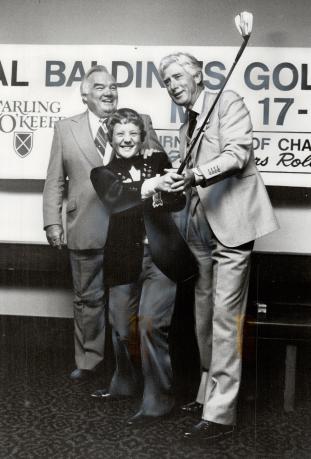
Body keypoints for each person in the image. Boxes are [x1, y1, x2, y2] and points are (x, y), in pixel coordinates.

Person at [158, 52, 279, 440]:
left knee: (225, 318)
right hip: (199, 228)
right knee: (204, 316)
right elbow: (191, 177)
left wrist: (194, 174)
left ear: (198, 75)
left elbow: (237, 154)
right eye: (166, 81)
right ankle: (206, 395)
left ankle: (221, 415)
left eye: (177, 76)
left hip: (232, 225)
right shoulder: (186, 123)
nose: (173, 85)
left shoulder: (228, 101)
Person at [42, 65, 164, 382]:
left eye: (112, 86)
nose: (108, 92)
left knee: (130, 302)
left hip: (134, 230)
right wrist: (52, 222)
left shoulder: (139, 123)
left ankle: (129, 366)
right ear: (85, 94)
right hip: (86, 225)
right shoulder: (64, 129)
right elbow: (55, 180)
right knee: (88, 299)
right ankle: (89, 361)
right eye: (99, 87)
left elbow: (160, 169)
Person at [90, 108, 197, 425]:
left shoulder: (159, 164)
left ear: (141, 138)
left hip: (162, 258)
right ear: (111, 139)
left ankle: (158, 401)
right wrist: (151, 187)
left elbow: (177, 202)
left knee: (151, 325)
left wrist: (170, 187)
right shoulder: (102, 173)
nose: (126, 139)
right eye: (120, 134)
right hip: (123, 260)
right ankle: (124, 383)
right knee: (121, 328)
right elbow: (117, 199)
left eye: (132, 134)